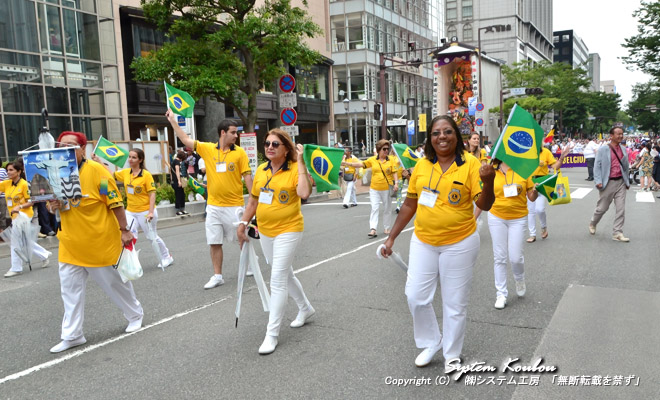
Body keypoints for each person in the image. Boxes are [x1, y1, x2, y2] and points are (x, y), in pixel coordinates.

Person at [380, 115, 495, 369]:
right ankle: (432, 341)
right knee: (415, 296)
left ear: (457, 136)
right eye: (436, 133)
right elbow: (410, 203)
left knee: (454, 303)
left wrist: (489, 181)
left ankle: (452, 354)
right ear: (430, 139)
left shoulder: (471, 164)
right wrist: (391, 238)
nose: (441, 137)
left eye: (447, 132)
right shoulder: (422, 166)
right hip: (424, 241)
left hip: (460, 242)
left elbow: (484, 204)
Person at [48, 131, 143, 353]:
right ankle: (72, 335)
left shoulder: (98, 172)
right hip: (70, 243)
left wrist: (124, 230)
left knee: (114, 284)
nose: (66, 150)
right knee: (69, 291)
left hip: (99, 241)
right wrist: (51, 205)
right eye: (62, 146)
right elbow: (53, 204)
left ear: (83, 149)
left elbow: (114, 201)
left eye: (71, 146)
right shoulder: (57, 172)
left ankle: (135, 314)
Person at [237, 128, 314, 355]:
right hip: (266, 231)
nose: (269, 147)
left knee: (277, 278)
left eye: (275, 144)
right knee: (284, 273)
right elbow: (253, 201)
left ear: (286, 148)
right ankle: (305, 308)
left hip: (289, 229)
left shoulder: (294, 170)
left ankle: (271, 334)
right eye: (267, 143)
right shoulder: (261, 170)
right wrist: (242, 223)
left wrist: (300, 161)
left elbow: (304, 193)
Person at [166, 110, 253, 290]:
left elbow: (247, 177)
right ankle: (217, 275)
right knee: (214, 241)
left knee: (242, 238)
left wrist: (253, 202)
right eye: (233, 132)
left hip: (234, 205)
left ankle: (250, 265)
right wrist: (173, 121)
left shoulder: (240, 154)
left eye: (236, 132)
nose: (236, 136)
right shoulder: (207, 148)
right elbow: (185, 140)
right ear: (223, 133)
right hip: (213, 206)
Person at [479, 159, 538, 309]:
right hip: (496, 216)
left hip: (518, 218)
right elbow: (484, 193)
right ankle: (501, 294)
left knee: (516, 257)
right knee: (499, 256)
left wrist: (536, 191)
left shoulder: (524, 169)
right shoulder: (491, 170)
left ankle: (519, 279)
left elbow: (531, 197)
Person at [113, 149, 174, 269]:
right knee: (129, 234)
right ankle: (129, 262)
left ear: (140, 160)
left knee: (152, 237)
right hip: (130, 211)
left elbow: (152, 194)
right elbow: (111, 174)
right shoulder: (126, 173)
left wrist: (151, 212)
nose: (130, 159)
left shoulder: (146, 175)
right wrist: (98, 161)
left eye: (134, 157)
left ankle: (167, 256)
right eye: (129, 157)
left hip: (145, 212)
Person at [2, 160, 51, 277]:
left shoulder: (24, 184)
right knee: (24, 241)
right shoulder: (6, 183)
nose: (8, 172)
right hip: (14, 216)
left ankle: (16, 268)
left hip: (24, 216)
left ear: (18, 172)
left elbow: (32, 201)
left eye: (11, 170)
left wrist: (20, 206)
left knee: (15, 241)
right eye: (7, 170)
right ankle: (44, 254)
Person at [342, 139, 399, 238]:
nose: (386, 151)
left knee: (387, 209)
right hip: (374, 188)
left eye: (387, 149)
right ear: (379, 150)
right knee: (374, 208)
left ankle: (386, 227)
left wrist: (396, 183)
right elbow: (361, 164)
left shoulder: (391, 160)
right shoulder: (373, 160)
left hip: (386, 188)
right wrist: (348, 164)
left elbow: (394, 173)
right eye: (384, 149)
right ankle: (373, 229)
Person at [589, 127, 630, 242]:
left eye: (622, 134)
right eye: (618, 134)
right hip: (608, 183)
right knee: (602, 208)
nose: (620, 136)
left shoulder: (623, 149)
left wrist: (627, 181)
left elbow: (625, 166)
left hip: (620, 182)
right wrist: (598, 181)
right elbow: (597, 166)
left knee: (621, 209)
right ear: (611, 136)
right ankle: (593, 223)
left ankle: (617, 232)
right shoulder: (603, 149)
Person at [526, 143, 570, 243]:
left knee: (540, 209)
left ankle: (543, 227)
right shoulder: (525, 153)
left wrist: (562, 158)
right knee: (530, 210)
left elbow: (556, 166)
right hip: (529, 182)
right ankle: (532, 234)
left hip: (542, 183)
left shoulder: (546, 152)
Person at [170, 151, 188, 216]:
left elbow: (171, 172)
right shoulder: (177, 162)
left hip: (174, 181)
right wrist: (179, 181)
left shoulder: (173, 161)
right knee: (180, 195)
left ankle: (181, 209)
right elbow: (177, 171)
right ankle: (179, 210)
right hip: (177, 181)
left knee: (180, 195)